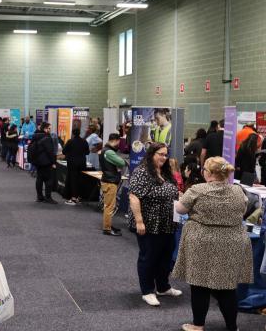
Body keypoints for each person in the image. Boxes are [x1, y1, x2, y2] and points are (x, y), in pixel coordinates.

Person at [173, 157, 253, 331]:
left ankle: (198, 325)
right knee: (227, 286)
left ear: (208, 173)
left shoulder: (197, 189)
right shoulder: (238, 191)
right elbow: (243, 210)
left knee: (199, 284)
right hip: (231, 241)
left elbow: (180, 209)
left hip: (202, 241)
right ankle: (232, 327)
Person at [128, 143, 182, 307]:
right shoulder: (142, 172)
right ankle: (147, 291)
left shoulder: (165, 171)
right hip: (149, 224)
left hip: (168, 223)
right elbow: (134, 197)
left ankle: (163, 287)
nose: (163, 158)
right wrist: (139, 221)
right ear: (151, 154)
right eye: (160, 154)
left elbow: (175, 191)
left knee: (165, 257)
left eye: (166, 155)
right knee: (148, 258)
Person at [99, 133, 126, 236]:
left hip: (108, 180)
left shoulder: (104, 150)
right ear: (115, 140)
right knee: (109, 206)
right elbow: (122, 163)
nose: (119, 144)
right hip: (110, 181)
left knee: (109, 205)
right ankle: (107, 228)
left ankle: (108, 225)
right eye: (119, 141)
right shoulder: (109, 152)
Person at [62, 128, 90, 205]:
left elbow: (64, 151)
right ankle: (79, 197)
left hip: (72, 163)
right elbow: (87, 152)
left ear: (73, 133)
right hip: (82, 163)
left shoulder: (70, 141)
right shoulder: (84, 141)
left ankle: (73, 198)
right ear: (79, 133)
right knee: (81, 179)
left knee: (73, 180)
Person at [33, 122, 58, 204]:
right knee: (49, 180)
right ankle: (48, 197)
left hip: (38, 161)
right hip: (46, 162)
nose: (50, 130)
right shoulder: (47, 138)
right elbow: (50, 151)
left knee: (39, 179)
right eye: (49, 128)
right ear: (45, 129)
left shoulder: (36, 136)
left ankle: (39, 197)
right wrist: (53, 162)